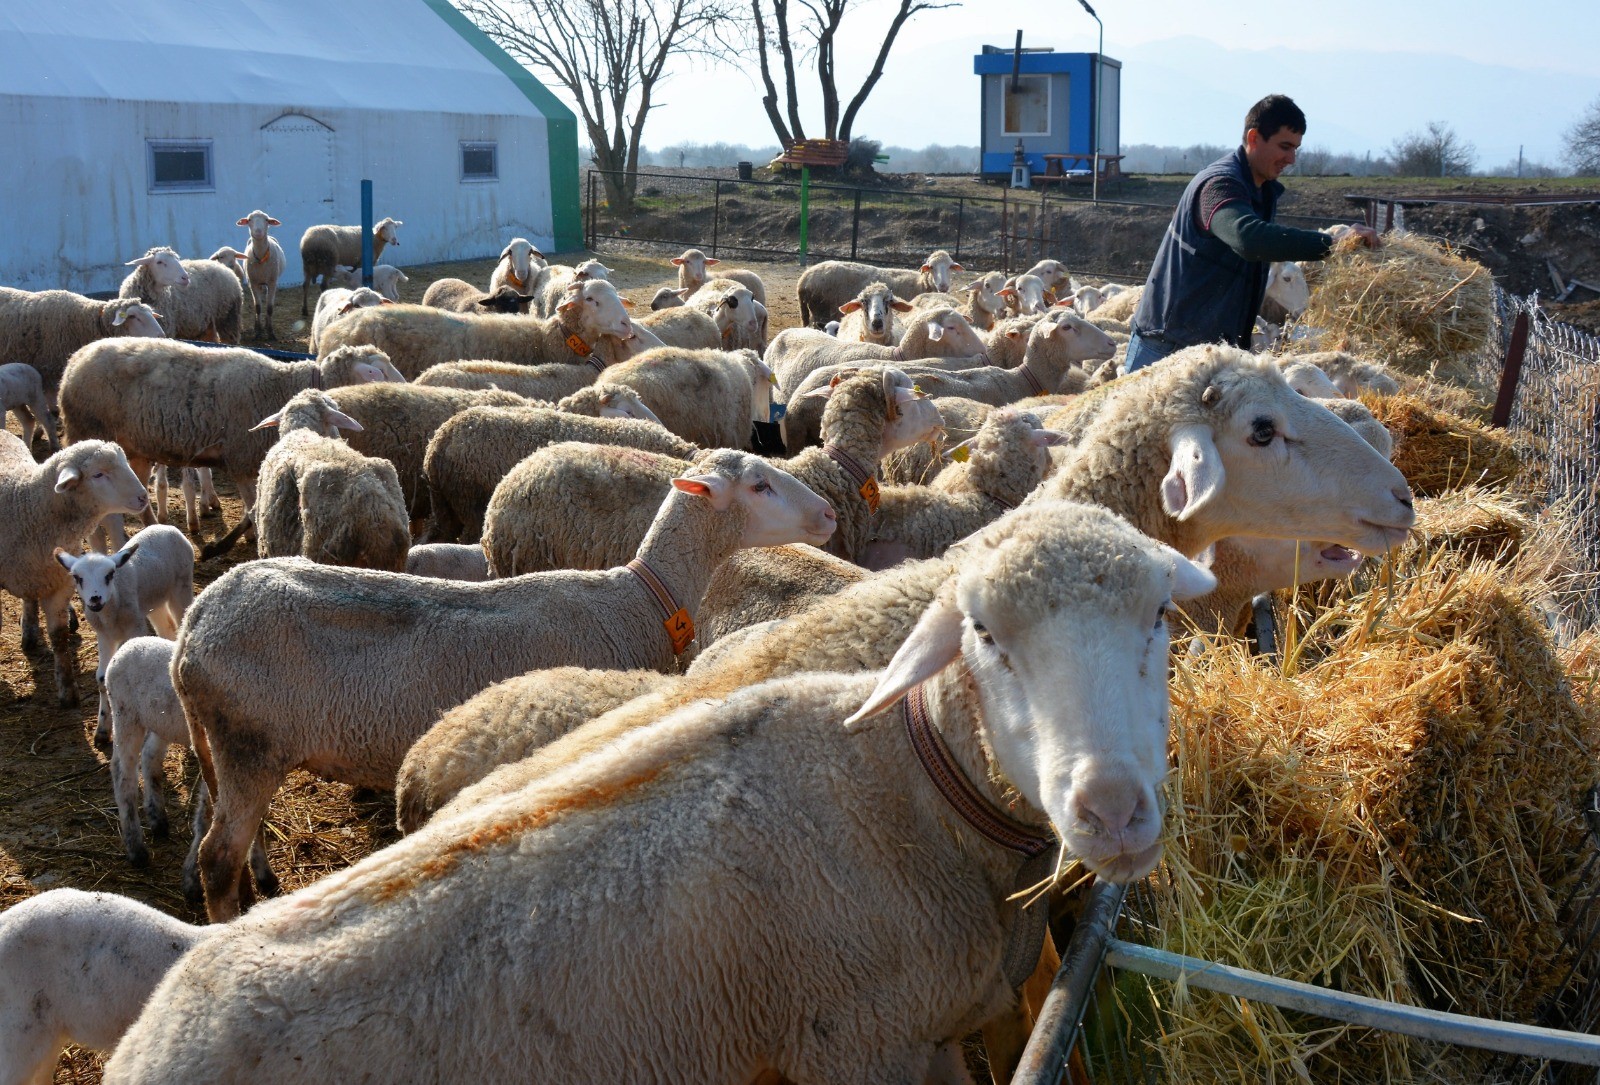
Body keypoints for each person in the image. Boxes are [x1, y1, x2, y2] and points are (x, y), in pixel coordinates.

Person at [1125, 94, 1379, 372]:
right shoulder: (1220, 185)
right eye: (1284, 146)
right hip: (1166, 348)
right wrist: (1332, 243)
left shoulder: (1260, 191)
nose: (1291, 159)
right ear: (1254, 137)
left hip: (1212, 352)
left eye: (1296, 149)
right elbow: (1248, 238)